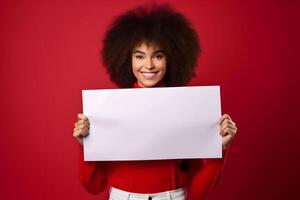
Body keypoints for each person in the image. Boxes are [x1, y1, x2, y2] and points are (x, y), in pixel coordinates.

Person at [73, 4, 237, 200]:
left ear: (171, 59)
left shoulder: (186, 107)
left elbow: (200, 190)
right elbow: (94, 186)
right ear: (127, 60)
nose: (149, 65)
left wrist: (219, 147)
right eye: (139, 56)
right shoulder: (109, 110)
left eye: (158, 56)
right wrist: (86, 146)